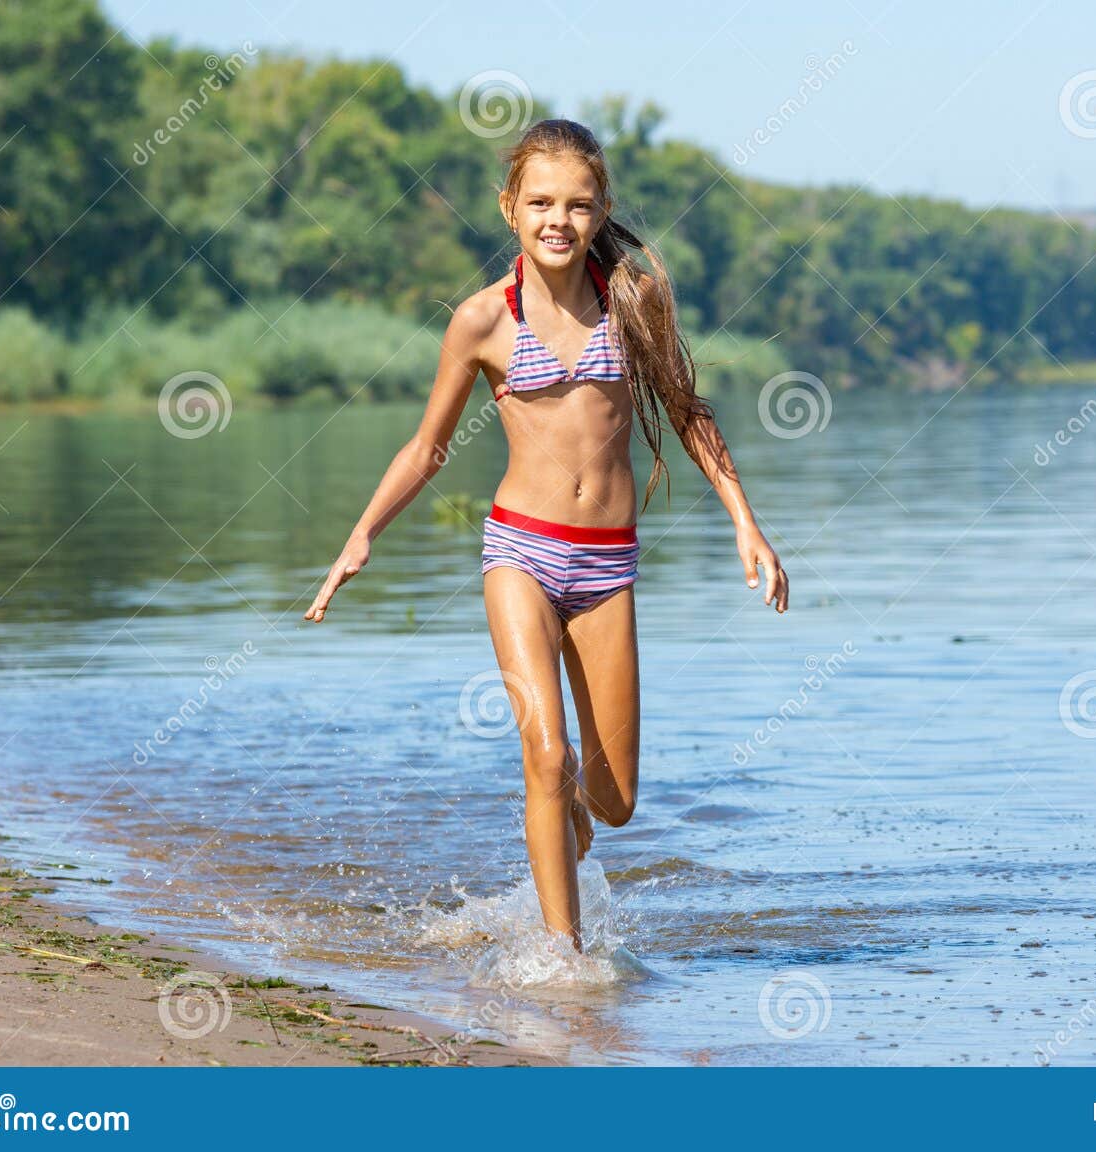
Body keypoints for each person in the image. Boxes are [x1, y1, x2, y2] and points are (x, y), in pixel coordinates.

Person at [304, 118, 788, 952]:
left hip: (607, 567)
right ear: (509, 208)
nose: (557, 219)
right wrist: (361, 536)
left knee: (615, 800)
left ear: (600, 212)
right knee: (545, 749)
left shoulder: (632, 301)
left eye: (577, 204)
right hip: (519, 554)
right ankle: (566, 959)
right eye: (540, 202)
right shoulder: (483, 321)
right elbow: (426, 447)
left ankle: (567, 812)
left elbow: (685, 412)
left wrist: (747, 522)